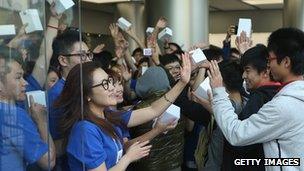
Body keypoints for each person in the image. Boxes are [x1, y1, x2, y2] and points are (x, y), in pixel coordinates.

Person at [55, 53, 191, 170]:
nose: (113, 88)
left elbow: (153, 110)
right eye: (104, 84)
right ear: (86, 95)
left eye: (110, 81)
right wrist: (128, 158)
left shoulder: (109, 115)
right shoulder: (85, 130)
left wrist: (182, 83)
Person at [207, 27, 304, 170]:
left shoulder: (283, 106)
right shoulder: (295, 96)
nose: (269, 65)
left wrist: (219, 91)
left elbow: (236, 134)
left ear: (286, 62)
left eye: (270, 59)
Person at [0, 46, 55, 170]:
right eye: (18, 77)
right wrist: (41, 121)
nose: (25, 83)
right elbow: (49, 161)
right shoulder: (14, 115)